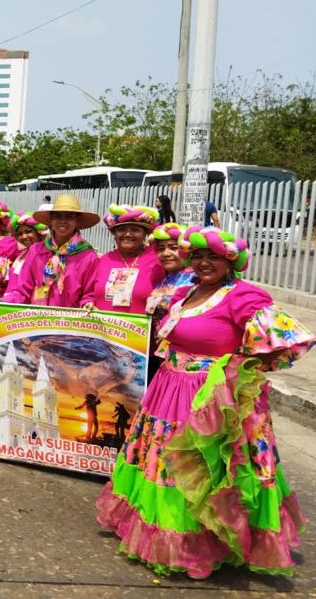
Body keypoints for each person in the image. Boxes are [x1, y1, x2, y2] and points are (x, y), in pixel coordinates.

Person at [96, 226, 315, 578]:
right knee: (168, 464)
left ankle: (206, 541)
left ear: (231, 261)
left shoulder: (243, 296)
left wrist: (238, 374)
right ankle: (173, 535)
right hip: (169, 389)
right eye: (197, 256)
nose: (203, 263)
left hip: (207, 399)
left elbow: (289, 340)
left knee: (203, 467)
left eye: (213, 257)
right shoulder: (188, 291)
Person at [3, 193, 99, 307]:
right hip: (36, 320)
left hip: (70, 321)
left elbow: (89, 294)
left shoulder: (88, 256)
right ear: (51, 220)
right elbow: (23, 290)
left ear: (77, 221)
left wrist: (88, 304)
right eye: (58, 216)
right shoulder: (36, 250)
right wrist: (3, 302)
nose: (62, 221)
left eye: (69, 217)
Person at [90, 205, 165, 315]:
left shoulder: (157, 260)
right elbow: (89, 293)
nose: (128, 234)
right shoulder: (103, 260)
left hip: (138, 330)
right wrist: (89, 302)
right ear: (114, 234)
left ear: (145, 234)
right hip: (103, 329)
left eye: (135, 230)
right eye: (121, 230)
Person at [0, 212, 48, 297]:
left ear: (39, 232)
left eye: (28, 231)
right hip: (10, 303)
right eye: (20, 234)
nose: (24, 236)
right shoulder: (21, 255)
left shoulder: (44, 256)